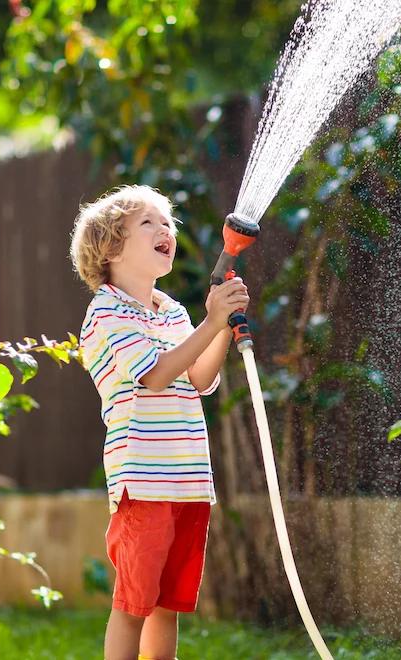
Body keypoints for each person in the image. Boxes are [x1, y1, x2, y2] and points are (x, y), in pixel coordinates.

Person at [70, 185, 249, 660]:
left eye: (167, 222)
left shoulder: (171, 311)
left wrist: (221, 322)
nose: (165, 229)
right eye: (148, 222)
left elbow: (199, 378)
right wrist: (210, 323)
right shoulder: (106, 311)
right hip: (144, 481)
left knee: (166, 606)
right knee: (134, 603)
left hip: (188, 479)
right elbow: (153, 374)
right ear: (110, 248)